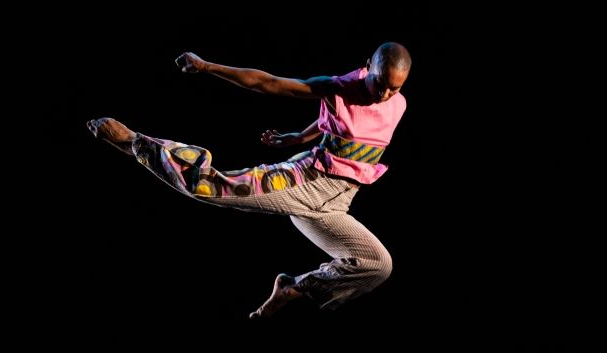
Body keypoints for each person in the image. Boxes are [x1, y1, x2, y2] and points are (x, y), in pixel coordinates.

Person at [88, 42, 411, 319]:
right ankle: (136, 143)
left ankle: (292, 288)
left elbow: (347, 127)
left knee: (377, 264)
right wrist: (207, 66)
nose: (383, 93)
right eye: (379, 83)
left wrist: (298, 136)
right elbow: (266, 83)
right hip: (302, 182)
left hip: (335, 204)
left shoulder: (398, 104)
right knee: (213, 188)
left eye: (393, 87)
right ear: (368, 67)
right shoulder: (337, 88)